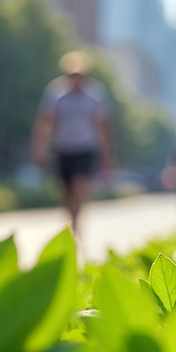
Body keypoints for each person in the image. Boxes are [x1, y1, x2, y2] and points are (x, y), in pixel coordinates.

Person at [30, 51, 112, 234]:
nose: (76, 79)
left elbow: (102, 126)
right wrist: (38, 149)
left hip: (85, 149)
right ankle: (71, 220)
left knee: (79, 188)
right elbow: (45, 123)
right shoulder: (56, 93)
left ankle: (76, 226)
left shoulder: (95, 95)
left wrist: (107, 154)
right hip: (63, 149)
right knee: (66, 194)